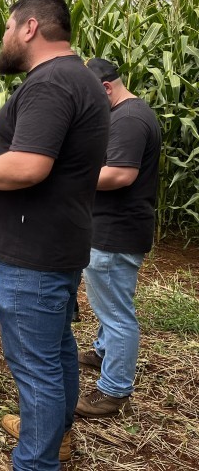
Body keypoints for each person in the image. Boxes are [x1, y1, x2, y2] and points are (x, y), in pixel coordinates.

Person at [0, 0, 110, 470]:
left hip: (33, 254)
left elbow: (30, 166)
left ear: (30, 27)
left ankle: (35, 462)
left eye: (7, 28)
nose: (4, 38)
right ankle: (55, 437)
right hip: (55, 243)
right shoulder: (79, 78)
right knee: (56, 354)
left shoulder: (51, 82)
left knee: (36, 369)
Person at [75, 58, 161, 418]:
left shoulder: (128, 119)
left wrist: (72, 178)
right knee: (110, 305)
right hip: (117, 228)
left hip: (114, 233)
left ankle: (114, 391)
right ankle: (103, 352)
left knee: (117, 315)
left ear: (106, 88)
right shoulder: (133, 113)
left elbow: (121, 175)